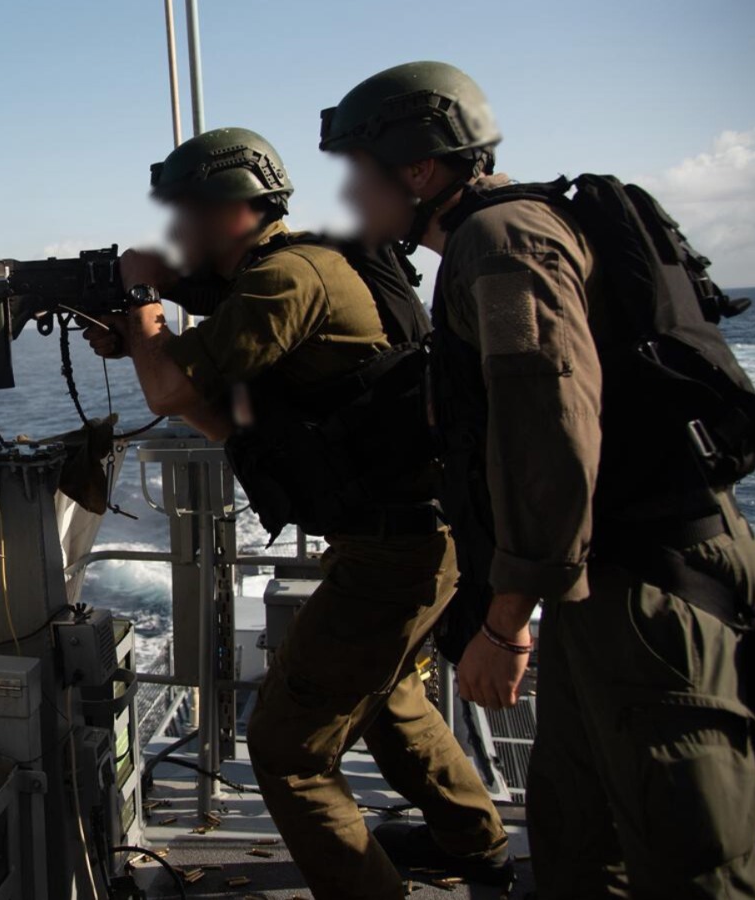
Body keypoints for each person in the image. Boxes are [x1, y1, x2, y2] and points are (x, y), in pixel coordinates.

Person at [320, 60, 755, 898]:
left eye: (359, 171)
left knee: (692, 859)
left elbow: (548, 433)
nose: (349, 195)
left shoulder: (501, 243)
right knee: (577, 836)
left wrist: (505, 623)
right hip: (607, 581)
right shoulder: (505, 233)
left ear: (419, 169)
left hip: (646, 585)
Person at [86, 126, 510, 899]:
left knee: (286, 749)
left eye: (187, 210)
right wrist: (143, 340)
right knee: (389, 701)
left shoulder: (285, 277)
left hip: (395, 549)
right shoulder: (287, 269)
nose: (176, 229)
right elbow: (231, 414)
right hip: (405, 536)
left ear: (230, 208)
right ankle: (474, 845)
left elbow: (171, 392)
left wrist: (144, 303)